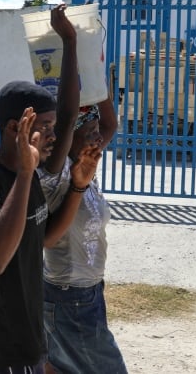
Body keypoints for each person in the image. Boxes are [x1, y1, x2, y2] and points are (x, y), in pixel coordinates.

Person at [0, 5, 100, 373]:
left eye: (54, 125)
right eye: (45, 126)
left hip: (25, 331)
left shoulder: (35, 172)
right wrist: (25, 175)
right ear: (14, 129)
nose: (55, 134)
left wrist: (77, 186)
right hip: (4, 342)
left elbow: (44, 237)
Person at [37, 94, 127, 374]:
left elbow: (110, 124)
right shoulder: (56, 175)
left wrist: (96, 83)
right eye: (89, 133)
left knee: (60, 369)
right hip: (69, 296)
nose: (98, 138)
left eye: (97, 132)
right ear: (67, 139)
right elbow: (47, 239)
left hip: (88, 292)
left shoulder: (87, 164)